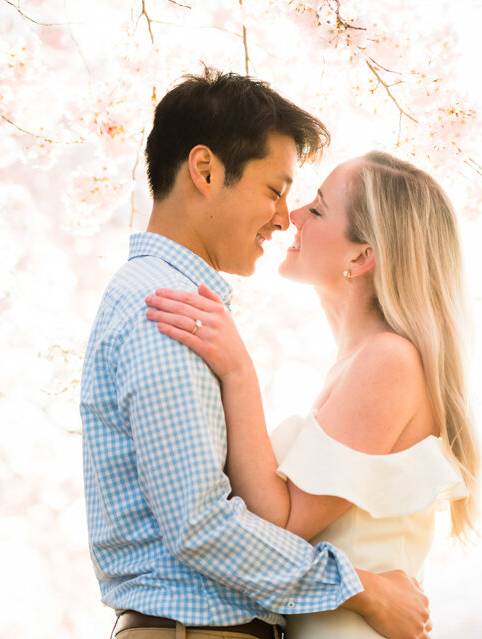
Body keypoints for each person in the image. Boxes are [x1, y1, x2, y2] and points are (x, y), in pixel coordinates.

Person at [80, 68, 432, 639]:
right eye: (274, 190)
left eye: (303, 202)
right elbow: (200, 525)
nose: (282, 216)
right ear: (205, 170)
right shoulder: (165, 306)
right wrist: (360, 588)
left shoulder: (178, 305)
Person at [144, 151, 482, 638]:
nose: (293, 216)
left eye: (319, 209)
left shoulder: (387, 360)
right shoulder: (362, 363)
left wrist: (238, 372)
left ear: (361, 256)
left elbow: (279, 526)